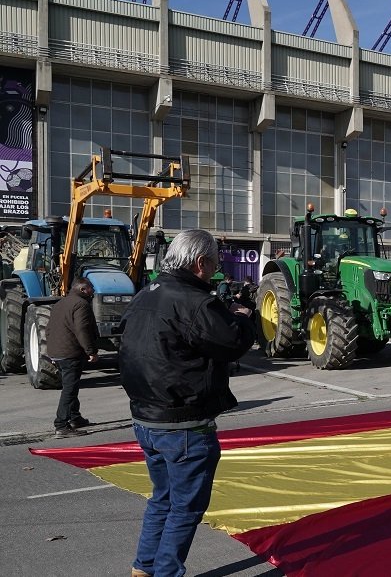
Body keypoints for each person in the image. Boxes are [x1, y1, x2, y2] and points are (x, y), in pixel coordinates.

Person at [119, 229, 255, 577]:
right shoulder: (195, 301)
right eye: (214, 263)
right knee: (185, 508)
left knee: (161, 499)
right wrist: (241, 316)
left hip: (146, 417)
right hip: (184, 422)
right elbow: (231, 343)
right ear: (200, 263)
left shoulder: (146, 294)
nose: (216, 269)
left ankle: (143, 567)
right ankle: (166, 572)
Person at [47, 277, 99, 438]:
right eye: (91, 288)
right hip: (70, 353)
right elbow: (82, 329)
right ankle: (61, 425)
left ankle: (75, 418)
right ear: (83, 289)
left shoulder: (60, 303)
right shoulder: (81, 304)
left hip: (57, 352)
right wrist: (91, 350)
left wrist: (51, 352)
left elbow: (49, 328)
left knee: (71, 386)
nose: (93, 291)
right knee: (69, 389)